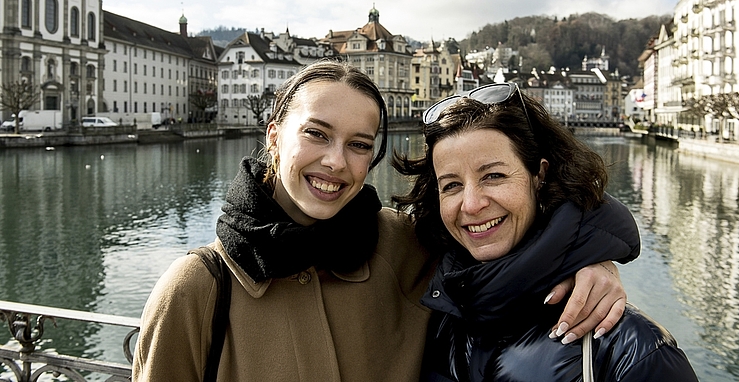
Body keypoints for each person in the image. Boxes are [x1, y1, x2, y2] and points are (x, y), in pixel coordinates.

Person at [133, 61, 634, 382]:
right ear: (273, 136)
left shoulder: (400, 242)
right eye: (316, 134)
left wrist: (590, 259)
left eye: (359, 145)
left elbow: (511, 232)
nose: (335, 162)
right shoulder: (197, 289)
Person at [392, 82, 698, 381]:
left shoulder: (632, 349)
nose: (471, 205)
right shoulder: (437, 307)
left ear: (540, 175)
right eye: (452, 185)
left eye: (494, 176)